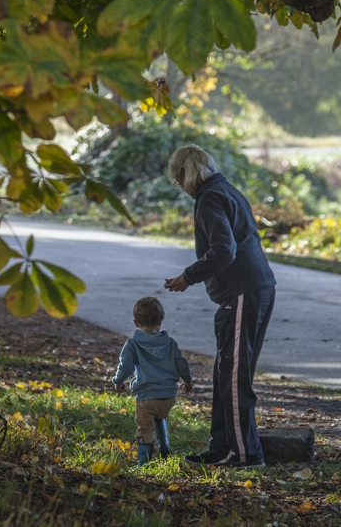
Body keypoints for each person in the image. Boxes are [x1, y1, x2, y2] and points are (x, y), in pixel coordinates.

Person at [164, 145, 276, 469]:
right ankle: (220, 447)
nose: (179, 186)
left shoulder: (210, 197)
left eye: (177, 178)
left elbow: (223, 250)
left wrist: (188, 276)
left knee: (234, 378)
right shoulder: (225, 189)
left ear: (187, 172)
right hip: (253, 289)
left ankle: (245, 455)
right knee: (225, 372)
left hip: (243, 291)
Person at [111, 297, 193, 467]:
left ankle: (144, 463)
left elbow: (125, 366)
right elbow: (182, 363)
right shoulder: (170, 343)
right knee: (161, 417)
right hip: (168, 396)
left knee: (145, 429)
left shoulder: (133, 344)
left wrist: (118, 381)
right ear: (160, 320)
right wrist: (188, 380)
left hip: (146, 397)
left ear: (135, 323)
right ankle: (164, 449)